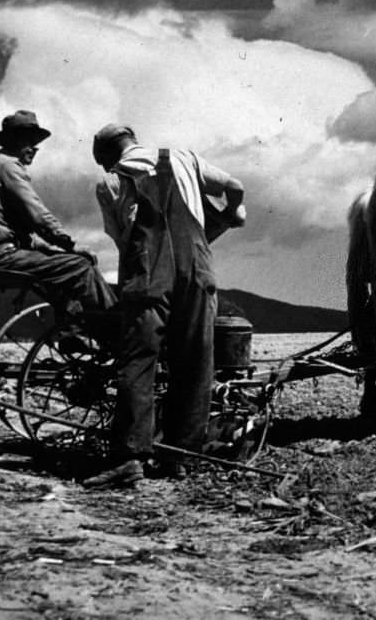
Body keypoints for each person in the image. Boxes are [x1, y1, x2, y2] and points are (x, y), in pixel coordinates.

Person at [83, 124, 246, 488]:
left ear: (107, 157)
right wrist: (229, 214)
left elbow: (121, 239)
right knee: (196, 362)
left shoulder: (110, 181)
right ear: (132, 141)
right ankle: (180, 458)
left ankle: (130, 459)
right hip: (197, 269)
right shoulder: (183, 157)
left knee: (138, 361)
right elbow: (235, 188)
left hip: (148, 273)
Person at [0, 110, 116, 315]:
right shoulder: (9, 167)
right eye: (28, 141)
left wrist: (57, 249)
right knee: (80, 265)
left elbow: (25, 233)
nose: (34, 148)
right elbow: (38, 215)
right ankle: (114, 328)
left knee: (65, 263)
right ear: (13, 140)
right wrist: (70, 244)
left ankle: (74, 329)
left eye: (36, 142)